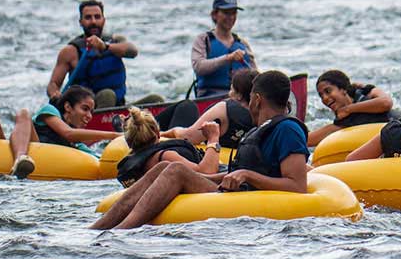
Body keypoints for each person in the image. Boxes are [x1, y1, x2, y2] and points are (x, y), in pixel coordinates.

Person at [91, 71, 308, 230]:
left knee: (176, 170)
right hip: (239, 191)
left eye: (250, 98)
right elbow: (242, 172)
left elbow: (297, 186)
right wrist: (209, 176)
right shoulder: (259, 130)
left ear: (257, 99)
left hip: (251, 200)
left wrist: (247, 175)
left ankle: (120, 233)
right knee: (167, 166)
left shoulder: (287, 129)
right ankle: (98, 229)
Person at [0, 85, 120, 178]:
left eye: (92, 112)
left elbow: (98, 163)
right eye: (85, 109)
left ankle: (20, 162)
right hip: (26, 152)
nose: (89, 116)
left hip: (39, 162)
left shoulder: (78, 145)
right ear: (67, 107)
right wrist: (114, 135)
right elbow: (67, 133)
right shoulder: (50, 111)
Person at [47, 0, 159, 110]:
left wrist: (105, 47)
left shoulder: (116, 42)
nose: (93, 22)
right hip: (86, 113)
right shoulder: (70, 51)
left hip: (119, 108)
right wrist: (55, 94)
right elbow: (53, 84)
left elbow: (132, 51)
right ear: (80, 22)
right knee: (107, 94)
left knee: (156, 99)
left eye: (97, 17)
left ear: (103, 20)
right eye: (88, 18)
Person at [116, 107, 222, 186]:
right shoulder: (165, 156)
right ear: (157, 133)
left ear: (128, 142)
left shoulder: (134, 163)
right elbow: (206, 173)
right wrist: (213, 138)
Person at [162, 68, 257, 149]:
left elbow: (189, 138)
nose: (229, 93)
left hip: (193, 146)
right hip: (233, 148)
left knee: (187, 105)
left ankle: (150, 127)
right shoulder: (263, 115)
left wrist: (170, 132)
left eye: (232, 89)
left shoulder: (224, 109)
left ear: (239, 95)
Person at [191, 0, 257, 97]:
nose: (231, 17)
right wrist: (228, 58)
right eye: (226, 13)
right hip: (210, 97)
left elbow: (255, 73)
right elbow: (199, 67)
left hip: (240, 98)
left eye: (234, 13)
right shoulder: (203, 40)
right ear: (214, 15)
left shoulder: (242, 43)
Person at [307, 70, 396, 146]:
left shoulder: (368, 92)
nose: (324, 98)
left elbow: (386, 103)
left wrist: (348, 109)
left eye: (328, 91)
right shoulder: (342, 124)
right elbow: (307, 140)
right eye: (321, 95)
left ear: (343, 89)